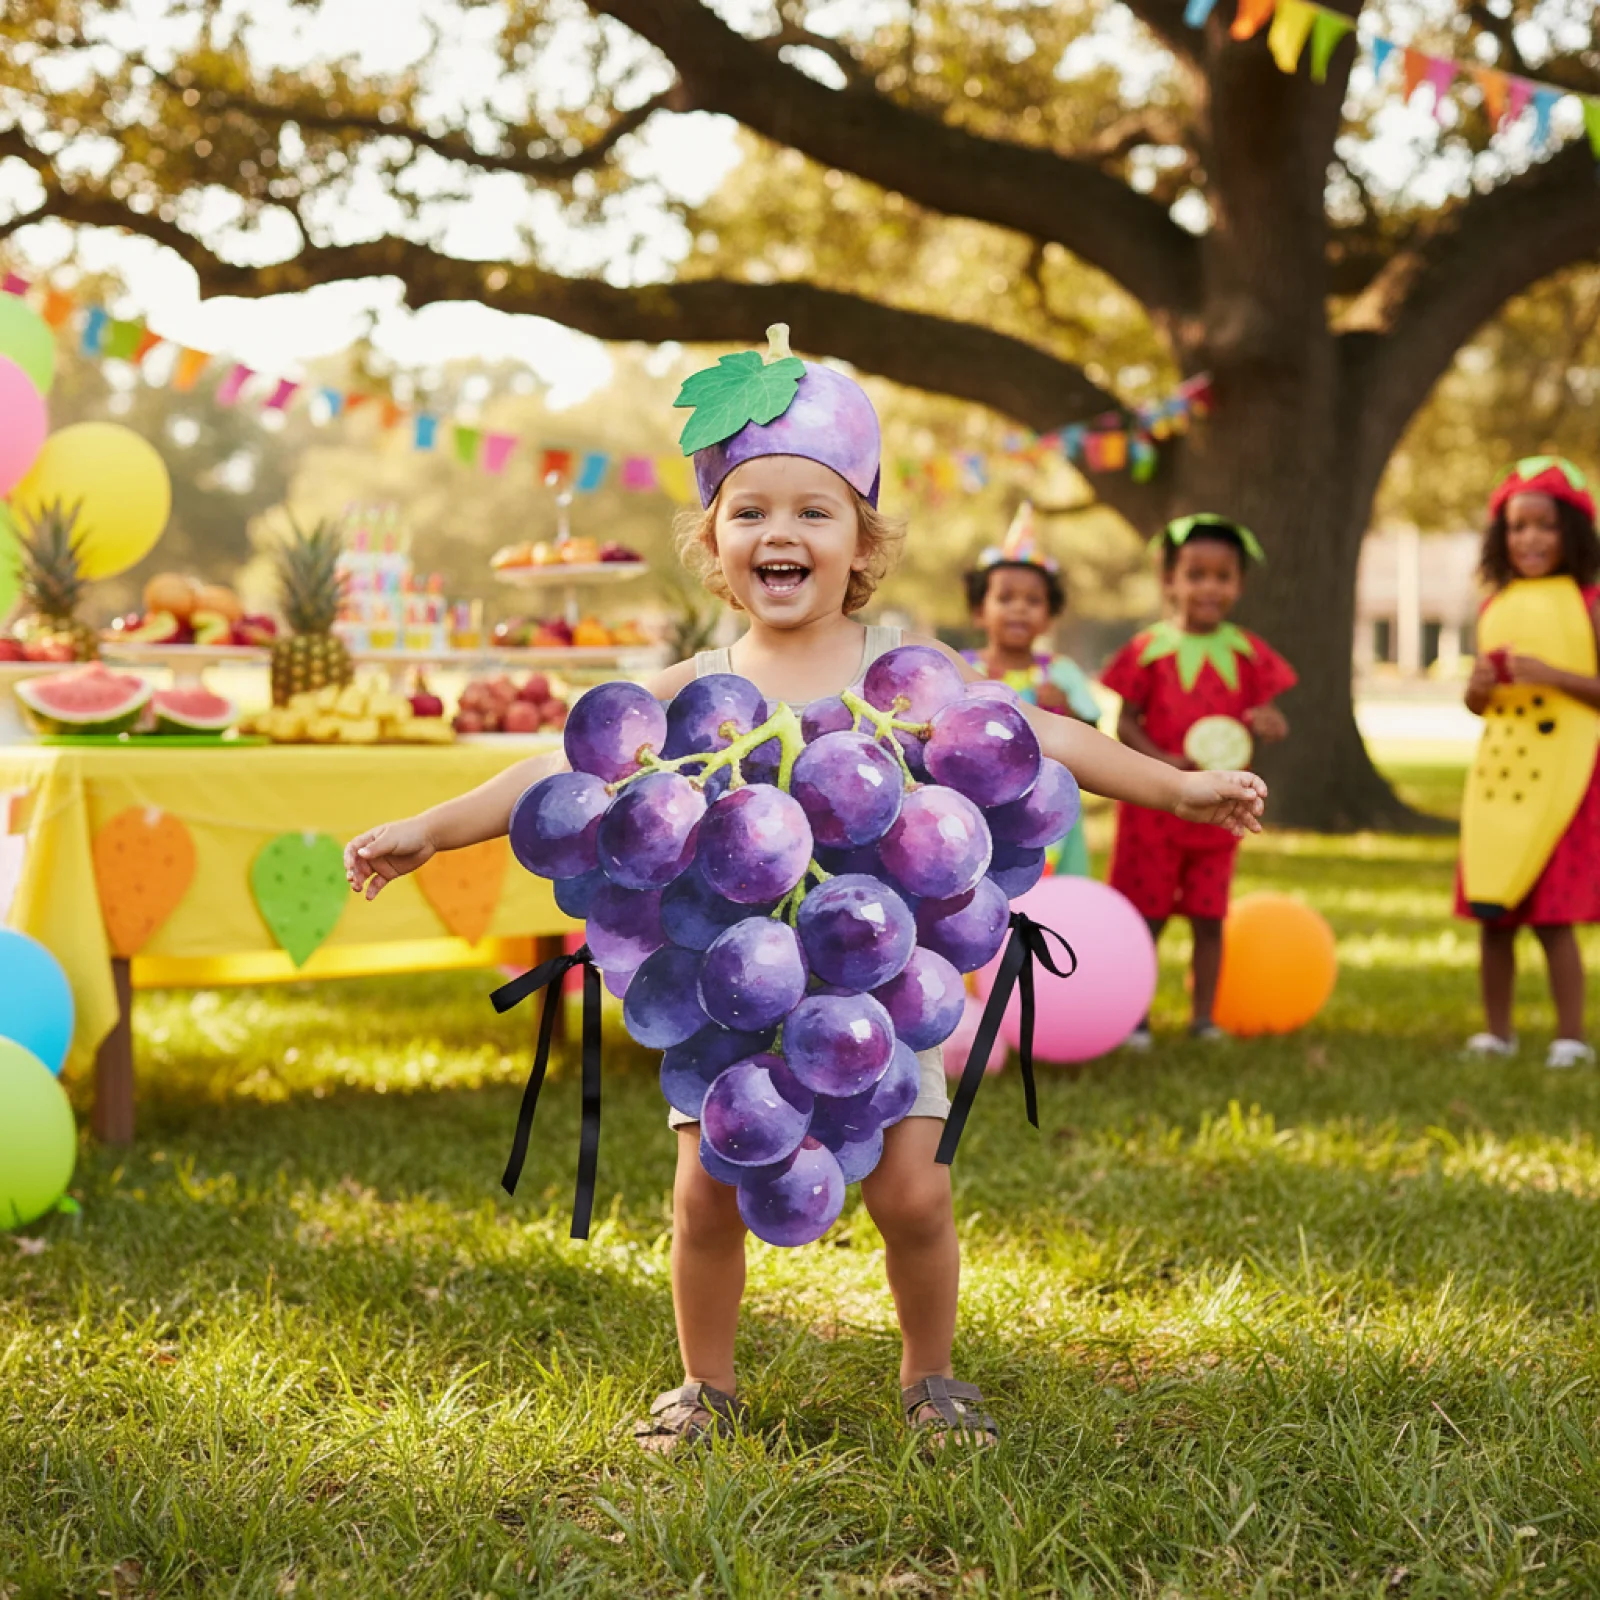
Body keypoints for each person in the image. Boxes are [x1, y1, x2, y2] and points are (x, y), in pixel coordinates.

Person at [343, 329, 1267, 1453]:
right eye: (750, 511)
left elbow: (1040, 732)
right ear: (714, 542)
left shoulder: (903, 676)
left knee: (913, 1195)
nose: (779, 532)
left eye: (813, 511)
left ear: (862, 543)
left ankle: (931, 1378)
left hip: (872, 983)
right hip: (726, 986)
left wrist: (1179, 787)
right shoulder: (699, 691)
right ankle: (706, 1387)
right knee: (704, 1197)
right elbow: (558, 769)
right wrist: (429, 830)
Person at [1100, 515, 1296, 1047]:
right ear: (1170, 580)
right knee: (1147, 915)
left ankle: (1203, 1018)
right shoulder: (1147, 650)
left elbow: (1264, 719)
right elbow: (1125, 723)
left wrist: (1270, 724)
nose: (1210, 587)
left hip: (1219, 814)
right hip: (1152, 810)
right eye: (1196, 575)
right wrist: (1161, 764)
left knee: (1210, 915)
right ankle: (1135, 1016)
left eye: (1223, 576)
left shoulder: (1248, 654)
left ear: (1240, 584)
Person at [1458, 457, 1600, 1069]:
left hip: (1566, 779)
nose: (1530, 539)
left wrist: (1554, 676)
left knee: (1552, 915)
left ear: (1573, 532)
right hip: (1500, 779)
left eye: (1545, 525)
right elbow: (1481, 707)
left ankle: (1570, 1037)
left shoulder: (1590, 604)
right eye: (1517, 527)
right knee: (1494, 913)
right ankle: (1498, 1032)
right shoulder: (1497, 606)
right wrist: (1478, 688)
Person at [962, 502, 1099, 875]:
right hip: (980, 803)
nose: (1019, 609)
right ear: (979, 610)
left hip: (1050, 804)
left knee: (1056, 890)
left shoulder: (1061, 673)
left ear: (1050, 616)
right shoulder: (964, 669)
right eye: (1005, 598)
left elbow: (1094, 737)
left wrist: (1069, 708)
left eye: (1033, 601)